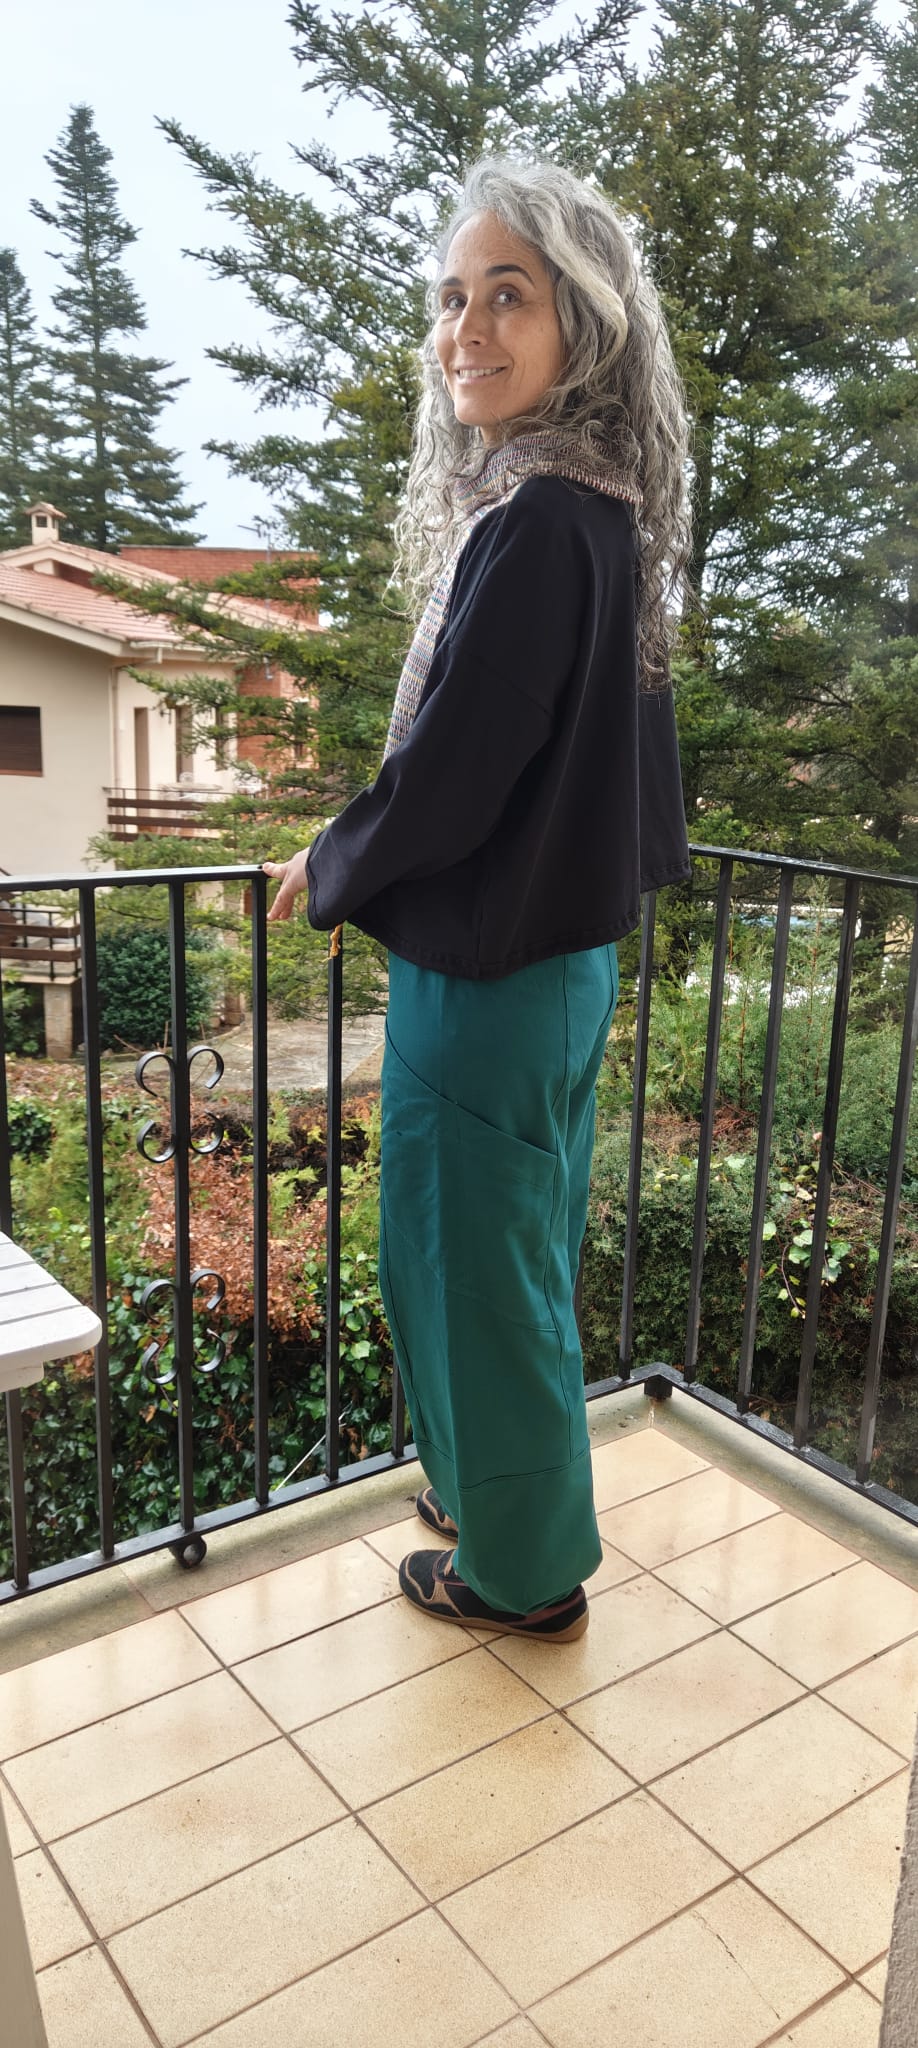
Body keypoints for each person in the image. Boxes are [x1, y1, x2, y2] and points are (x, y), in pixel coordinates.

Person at [263, 156, 692, 1643]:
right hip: (556, 962)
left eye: (508, 295)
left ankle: (521, 1571)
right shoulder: (601, 512)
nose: (466, 328)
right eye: (452, 297)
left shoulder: (538, 520)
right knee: (505, 1254)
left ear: (584, 323)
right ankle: (480, 1490)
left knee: (468, 1269)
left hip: (491, 973)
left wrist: (331, 861)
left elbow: (456, 765)